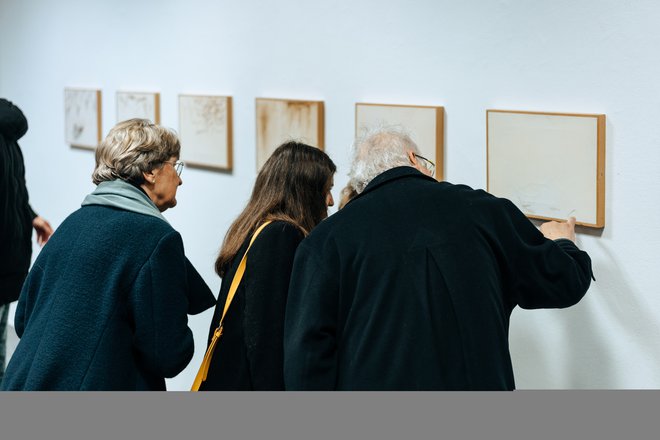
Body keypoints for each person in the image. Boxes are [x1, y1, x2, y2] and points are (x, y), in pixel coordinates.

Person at [283, 127, 594, 390]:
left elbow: (306, 362)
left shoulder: (326, 241)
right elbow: (563, 282)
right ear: (413, 160)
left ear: (362, 182)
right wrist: (563, 244)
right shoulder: (483, 211)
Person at [1, 118, 215, 390]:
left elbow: (23, 320)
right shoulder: (157, 239)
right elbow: (169, 355)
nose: (180, 179)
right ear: (150, 171)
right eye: (175, 166)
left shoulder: (74, 222)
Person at [197, 141, 336, 390]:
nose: (331, 201)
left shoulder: (255, 226)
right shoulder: (282, 235)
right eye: (326, 190)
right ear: (305, 192)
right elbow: (265, 335)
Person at [0, 98, 53, 382]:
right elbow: (15, 189)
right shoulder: (10, 138)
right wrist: (30, 215)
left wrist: (28, 214)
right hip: (10, 255)